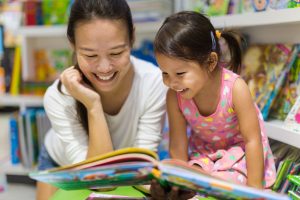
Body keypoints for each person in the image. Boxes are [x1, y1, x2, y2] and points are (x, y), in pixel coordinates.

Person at [36, 0, 167, 199]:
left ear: (132, 36)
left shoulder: (154, 83)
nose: (104, 67)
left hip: (124, 172)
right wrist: (93, 106)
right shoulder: (59, 97)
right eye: (90, 55)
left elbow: (141, 167)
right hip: (61, 164)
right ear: (72, 44)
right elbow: (97, 181)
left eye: (116, 53)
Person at [151, 11, 276, 199]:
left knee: (226, 181)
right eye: (165, 73)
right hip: (204, 156)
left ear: (210, 62)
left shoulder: (236, 88)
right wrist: (177, 179)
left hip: (240, 155)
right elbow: (177, 146)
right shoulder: (174, 96)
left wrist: (254, 189)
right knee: (169, 167)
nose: (171, 82)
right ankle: (196, 186)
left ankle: (206, 185)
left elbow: (253, 141)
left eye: (180, 74)